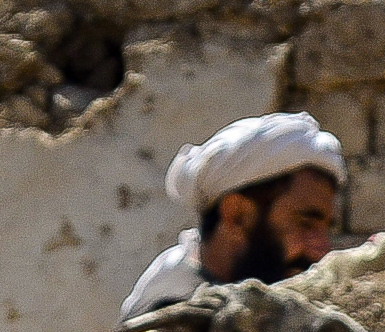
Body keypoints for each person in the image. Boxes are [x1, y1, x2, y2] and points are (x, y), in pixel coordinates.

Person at [118, 110, 345, 320]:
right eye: (305, 224)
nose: (322, 251)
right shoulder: (169, 317)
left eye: (325, 229)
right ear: (237, 215)